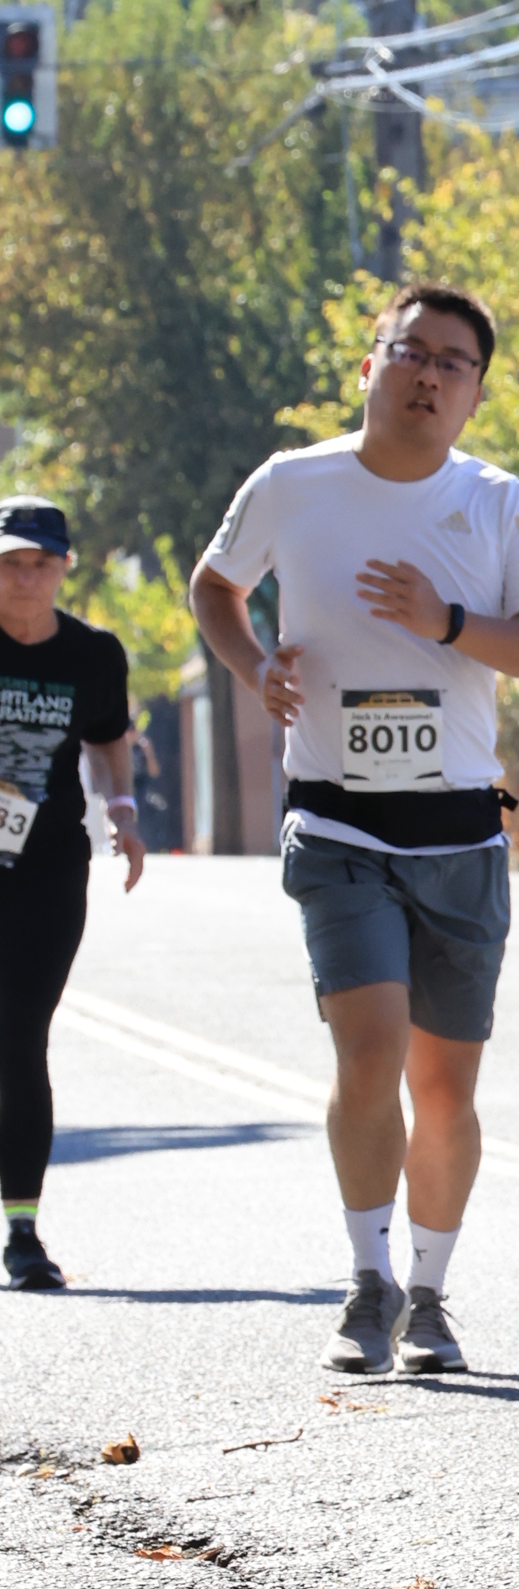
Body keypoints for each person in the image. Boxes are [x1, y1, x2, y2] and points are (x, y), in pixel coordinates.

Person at [190, 285, 519, 1376]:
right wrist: (254, 666)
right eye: (412, 351)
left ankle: (431, 1295)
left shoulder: (494, 501)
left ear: (475, 394)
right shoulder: (292, 484)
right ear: (371, 367)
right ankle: (367, 1283)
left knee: (445, 1090)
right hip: (337, 821)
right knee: (369, 1056)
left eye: (455, 362)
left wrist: (444, 621)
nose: (429, 374)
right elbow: (215, 587)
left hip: (459, 834)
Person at [0, 499, 144, 1290]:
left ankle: (22, 1231)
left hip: (49, 866)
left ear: (63, 568)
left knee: (20, 1036)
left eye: (39, 564)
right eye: (10, 564)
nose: (25, 578)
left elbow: (108, 737)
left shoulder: (93, 653)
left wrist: (123, 813)